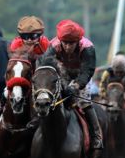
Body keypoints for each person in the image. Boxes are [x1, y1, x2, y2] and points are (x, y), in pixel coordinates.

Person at [43, 19, 102, 149]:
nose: (68, 47)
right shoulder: (53, 45)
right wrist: (63, 84)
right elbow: (47, 67)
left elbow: (87, 71)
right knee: (44, 99)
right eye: (65, 43)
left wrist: (75, 86)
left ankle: (97, 136)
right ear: (60, 41)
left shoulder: (88, 47)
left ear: (78, 41)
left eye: (72, 43)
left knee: (85, 102)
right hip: (61, 73)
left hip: (81, 75)